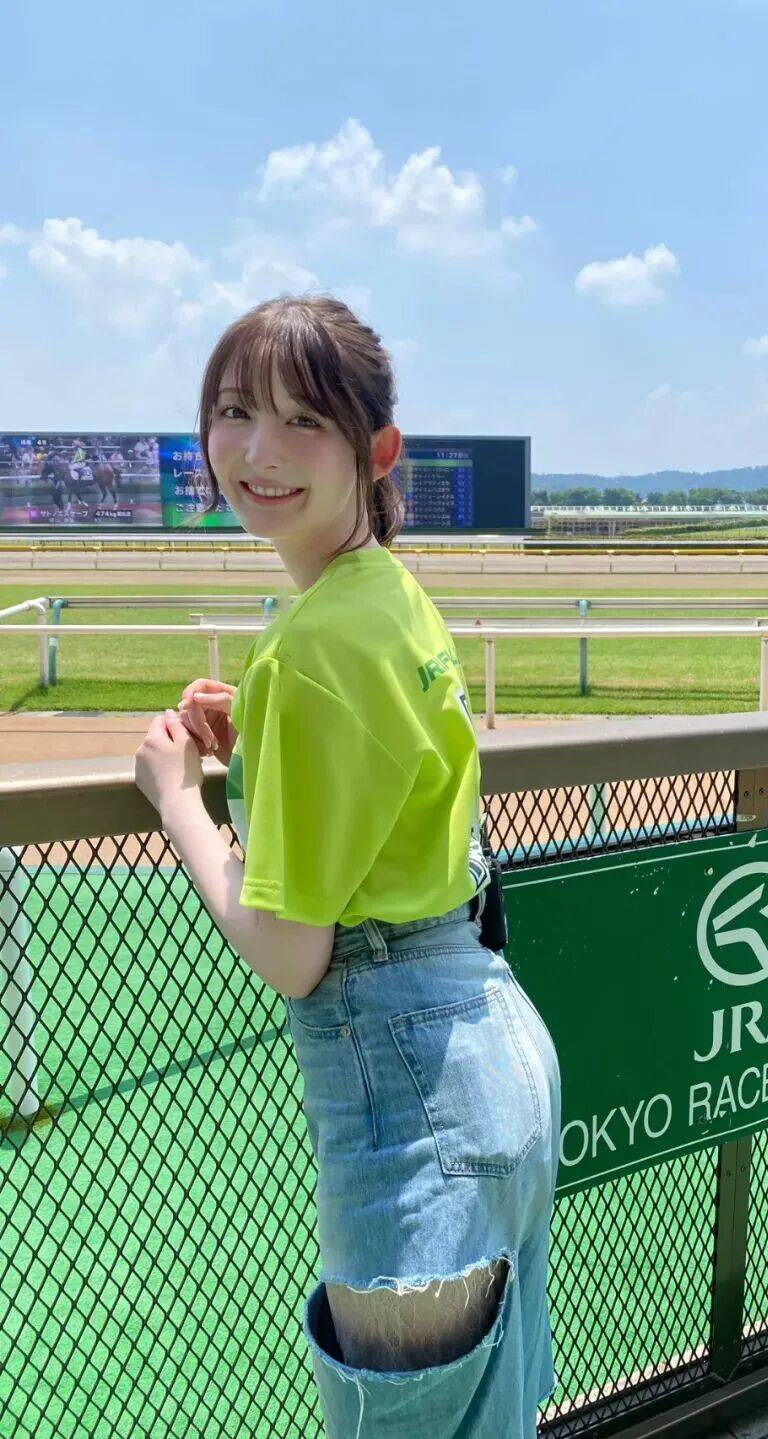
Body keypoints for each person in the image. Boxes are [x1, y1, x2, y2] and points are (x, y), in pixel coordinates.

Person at [133, 294, 561, 1439]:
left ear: (375, 452)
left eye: (303, 420)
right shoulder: (385, 596)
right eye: (235, 411)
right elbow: (391, 786)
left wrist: (179, 801)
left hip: (410, 1091)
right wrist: (262, 745)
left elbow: (292, 951)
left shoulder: (314, 641)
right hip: (491, 1045)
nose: (259, 449)